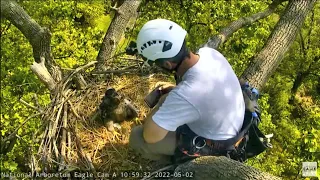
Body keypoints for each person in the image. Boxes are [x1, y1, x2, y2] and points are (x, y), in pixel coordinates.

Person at [129, 19, 245, 164]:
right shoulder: (210, 54)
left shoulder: (186, 94)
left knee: (137, 137)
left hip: (216, 146)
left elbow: (150, 136)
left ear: (167, 64)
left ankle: (173, 164)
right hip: (232, 128)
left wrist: (161, 102)